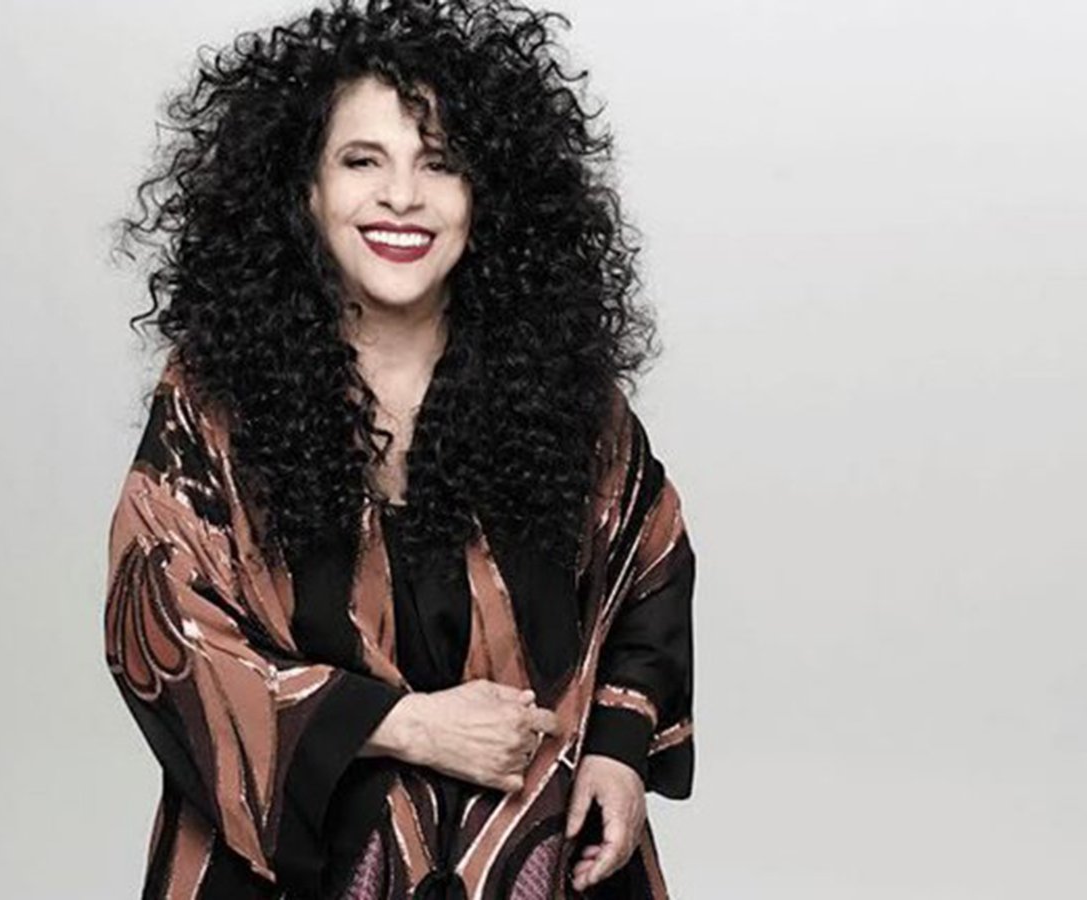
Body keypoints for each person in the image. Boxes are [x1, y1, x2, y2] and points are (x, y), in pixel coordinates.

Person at [105, 1, 696, 897]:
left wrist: (618, 752)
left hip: (538, 863)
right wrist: (405, 727)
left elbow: (648, 567)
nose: (402, 197)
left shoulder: (561, 391)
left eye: (440, 164)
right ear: (304, 189)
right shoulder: (216, 402)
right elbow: (163, 625)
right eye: (362, 161)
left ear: (488, 195)